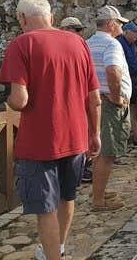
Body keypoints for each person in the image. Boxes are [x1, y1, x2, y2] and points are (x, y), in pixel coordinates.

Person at [0, 0, 101, 260]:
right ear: (51, 16)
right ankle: (59, 248)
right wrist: (95, 133)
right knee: (67, 197)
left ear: (22, 18)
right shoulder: (78, 42)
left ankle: (53, 256)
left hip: (40, 142)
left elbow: (20, 100)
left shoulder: (22, 44)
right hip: (76, 137)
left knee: (46, 208)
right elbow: (94, 97)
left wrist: (7, 101)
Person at [86, 5, 132, 212]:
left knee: (100, 151)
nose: (122, 26)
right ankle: (98, 200)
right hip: (109, 103)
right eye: (120, 23)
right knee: (107, 153)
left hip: (95, 101)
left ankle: (99, 191)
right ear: (111, 24)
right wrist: (116, 97)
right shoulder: (112, 45)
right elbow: (113, 71)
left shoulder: (87, 43)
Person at [59, 16, 94, 183]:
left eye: (80, 29)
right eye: (76, 29)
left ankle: (83, 167)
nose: (80, 33)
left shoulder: (81, 47)